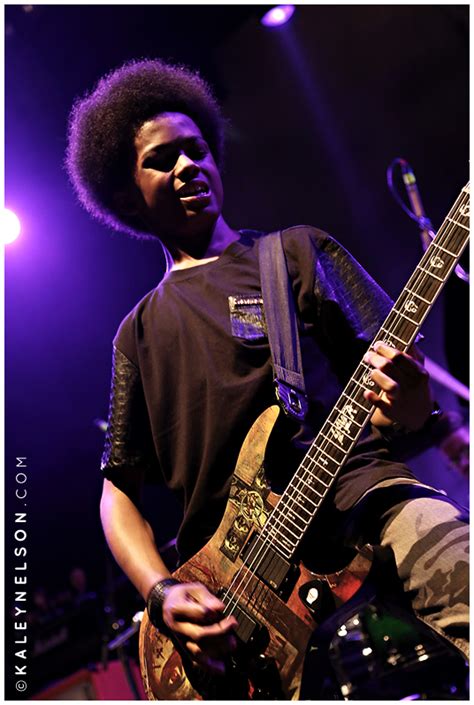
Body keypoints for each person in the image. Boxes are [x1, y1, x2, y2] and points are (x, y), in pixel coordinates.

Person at [65, 59, 469, 682]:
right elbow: (117, 494)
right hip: (237, 594)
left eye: (197, 149)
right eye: (162, 160)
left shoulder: (298, 253)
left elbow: (406, 412)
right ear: (125, 195)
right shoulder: (136, 336)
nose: (187, 165)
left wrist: (412, 399)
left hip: (365, 499)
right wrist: (160, 593)